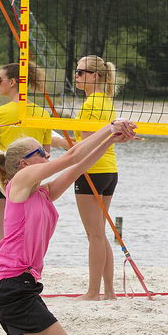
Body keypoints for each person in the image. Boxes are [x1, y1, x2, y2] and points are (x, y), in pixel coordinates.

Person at [0, 119, 138, 335]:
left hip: (21, 286)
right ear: (24, 163)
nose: (47, 154)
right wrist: (110, 127)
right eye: (40, 152)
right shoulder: (19, 181)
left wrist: (110, 141)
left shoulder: (42, 193)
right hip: (12, 287)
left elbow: (79, 165)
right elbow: (71, 156)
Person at [0, 62, 52, 259]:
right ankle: (21, 271)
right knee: (24, 236)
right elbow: (46, 153)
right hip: (30, 182)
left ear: (12, 82)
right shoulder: (43, 114)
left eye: (0, 79)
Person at [54, 55, 119, 300]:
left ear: (95, 76)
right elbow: (93, 139)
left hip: (92, 169)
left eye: (81, 72)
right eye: (76, 71)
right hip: (109, 170)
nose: (76, 76)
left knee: (95, 235)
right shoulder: (106, 101)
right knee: (100, 233)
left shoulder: (92, 103)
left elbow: (87, 144)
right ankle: (109, 291)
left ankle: (93, 292)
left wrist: (65, 146)